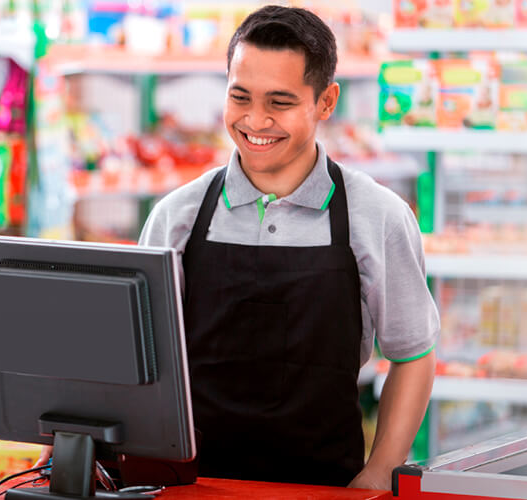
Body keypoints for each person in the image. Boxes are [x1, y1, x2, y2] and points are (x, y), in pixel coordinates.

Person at [39, 5, 438, 490]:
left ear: (326, 102)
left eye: (281, 102)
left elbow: (412, 354)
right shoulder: (177, 216)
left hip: (323, 484)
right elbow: (131, 362)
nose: (255, 120)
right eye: (240, 97)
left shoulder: (376, 215)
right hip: (185, 484)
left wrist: (376, 475)